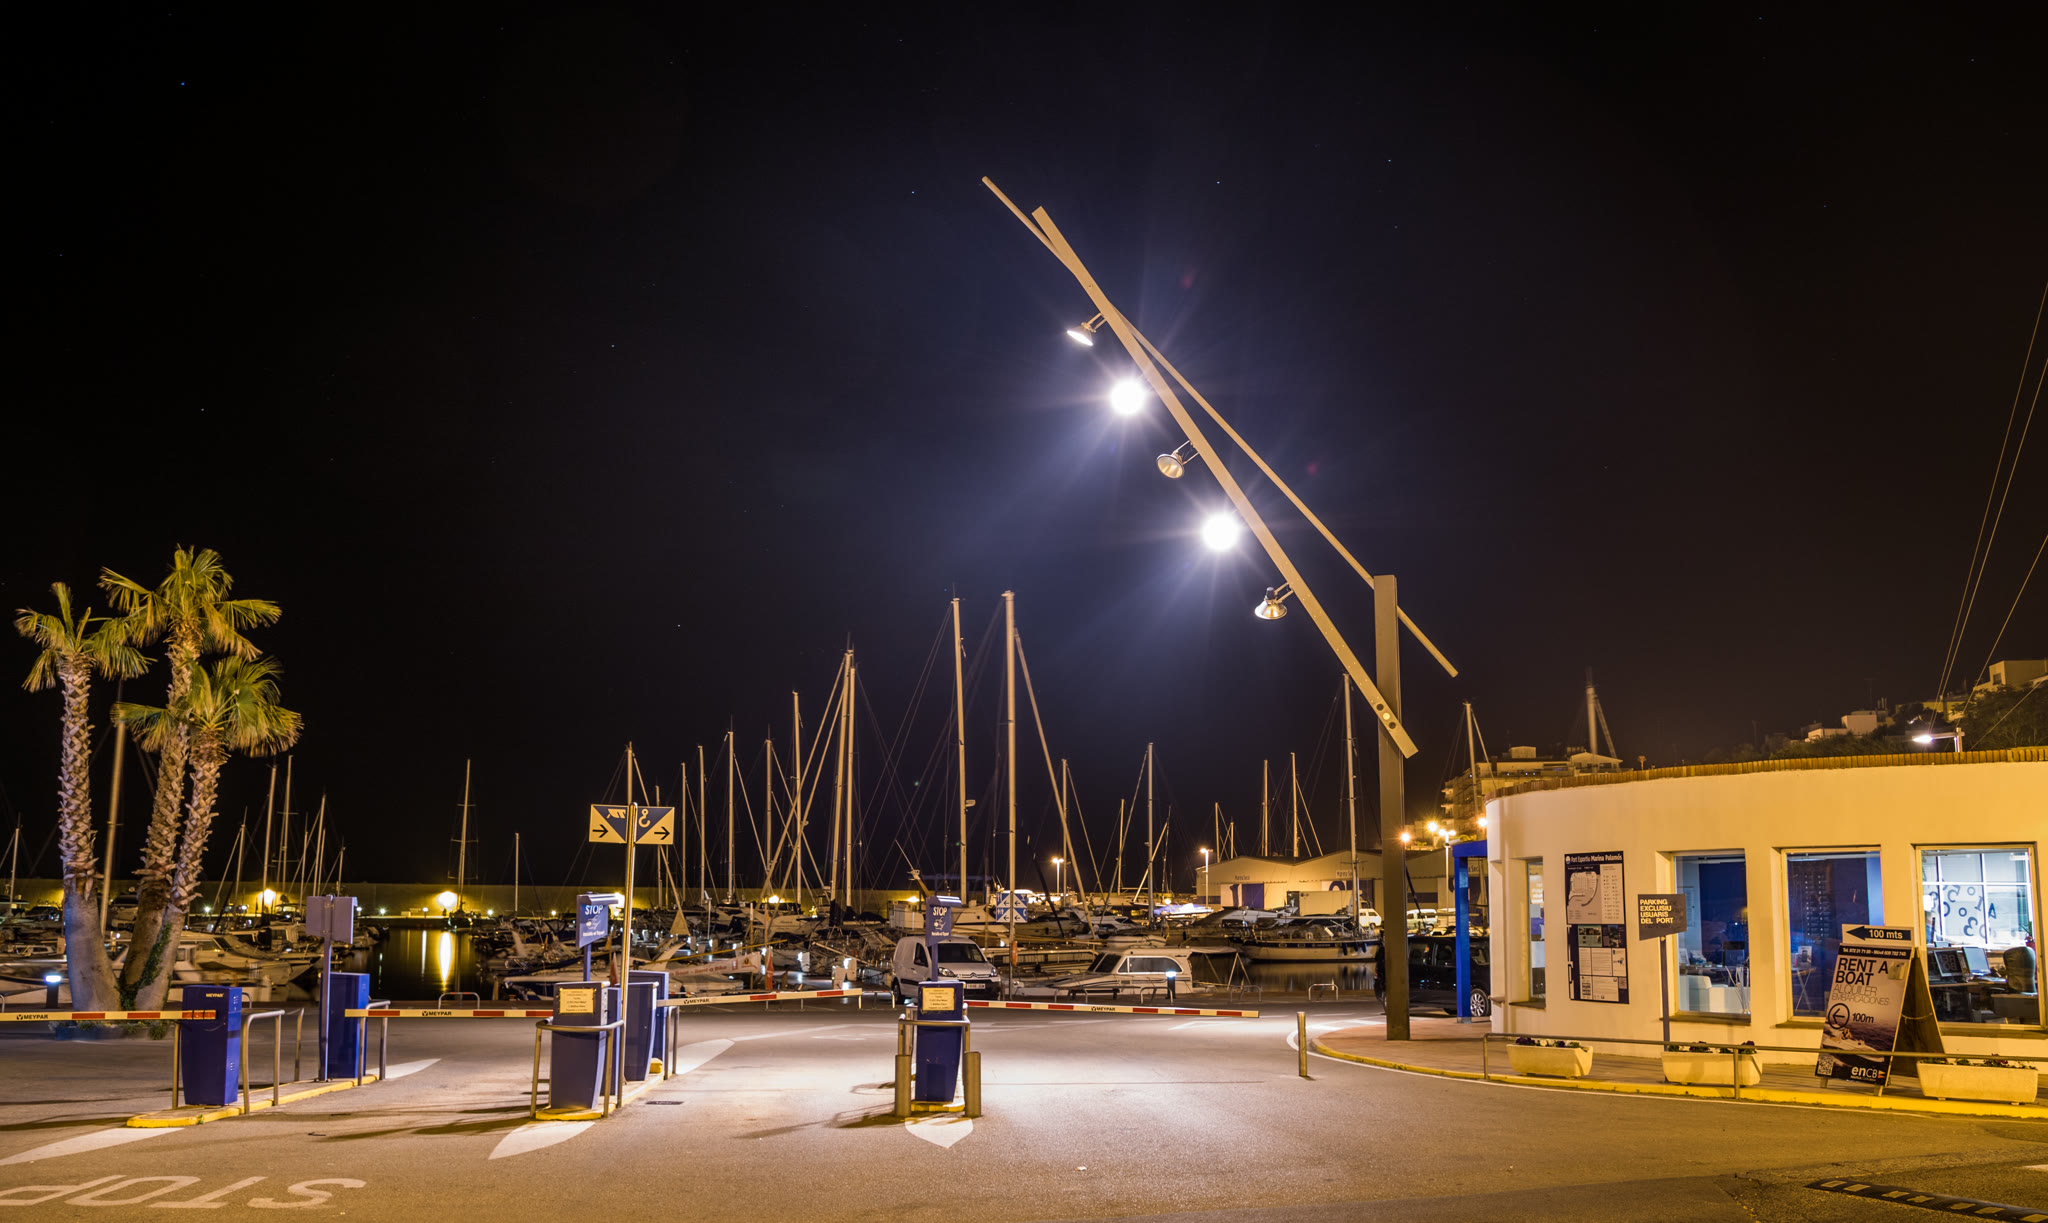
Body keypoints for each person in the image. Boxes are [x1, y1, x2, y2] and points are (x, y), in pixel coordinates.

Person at [1370, 937, 1387, 1003]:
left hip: (1380, 968)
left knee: (1379, 982)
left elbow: (1376, 958)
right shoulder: (1385, 950)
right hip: (1383, 969)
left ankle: (1379, 996)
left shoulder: (1381, 950)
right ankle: (1381, 996)